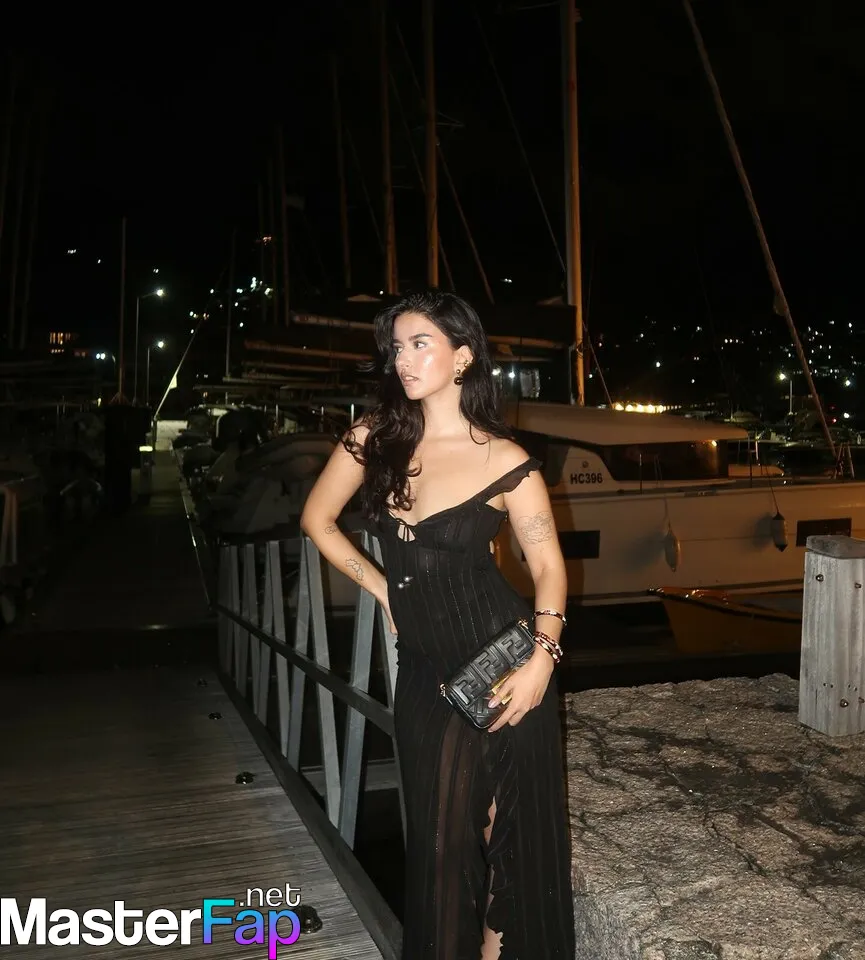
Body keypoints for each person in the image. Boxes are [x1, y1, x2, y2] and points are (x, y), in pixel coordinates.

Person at [300, 290, 575, 960]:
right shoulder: (372, 439)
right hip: (425, 670)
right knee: (440, 838)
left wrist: (542, 657)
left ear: (463, 356)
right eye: (396, 346)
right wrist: (382, 590)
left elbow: (547, 569)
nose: (403, 358)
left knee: (505, 836)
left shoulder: (505, 460)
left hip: (503, 662)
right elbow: (317, 521)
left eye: (420, 343)